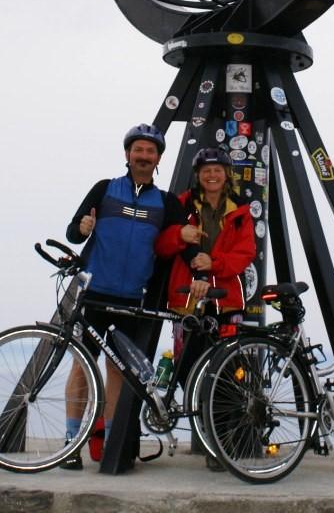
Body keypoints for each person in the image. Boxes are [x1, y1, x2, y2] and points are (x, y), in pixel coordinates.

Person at [62, 123, 198, 471]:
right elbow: (72, 231)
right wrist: (81, 228)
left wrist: (198, 271)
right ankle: (70, 444)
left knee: (118, 374)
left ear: (158, 160)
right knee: (82, 367)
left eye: (150, 152)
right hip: (95, 293)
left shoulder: (165, 202)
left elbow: (180, 246)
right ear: (127, 154)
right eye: (138, 150)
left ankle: (110, 444)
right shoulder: (105, 190)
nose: (143, 156)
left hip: (132, 301)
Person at [155, 145, 256, 386]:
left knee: (231, 370)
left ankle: (223, 422)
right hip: (187, 297)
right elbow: (161, 246)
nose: (212, 175)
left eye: (217, 170)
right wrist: (179, 234)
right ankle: (196, 419)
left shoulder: (240, 210)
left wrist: (214, 263)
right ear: (197, 174)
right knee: (187, 368)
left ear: (227, 173)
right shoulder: (181, 205)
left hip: (226, 300)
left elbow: (246, 252)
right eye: (206, 170)